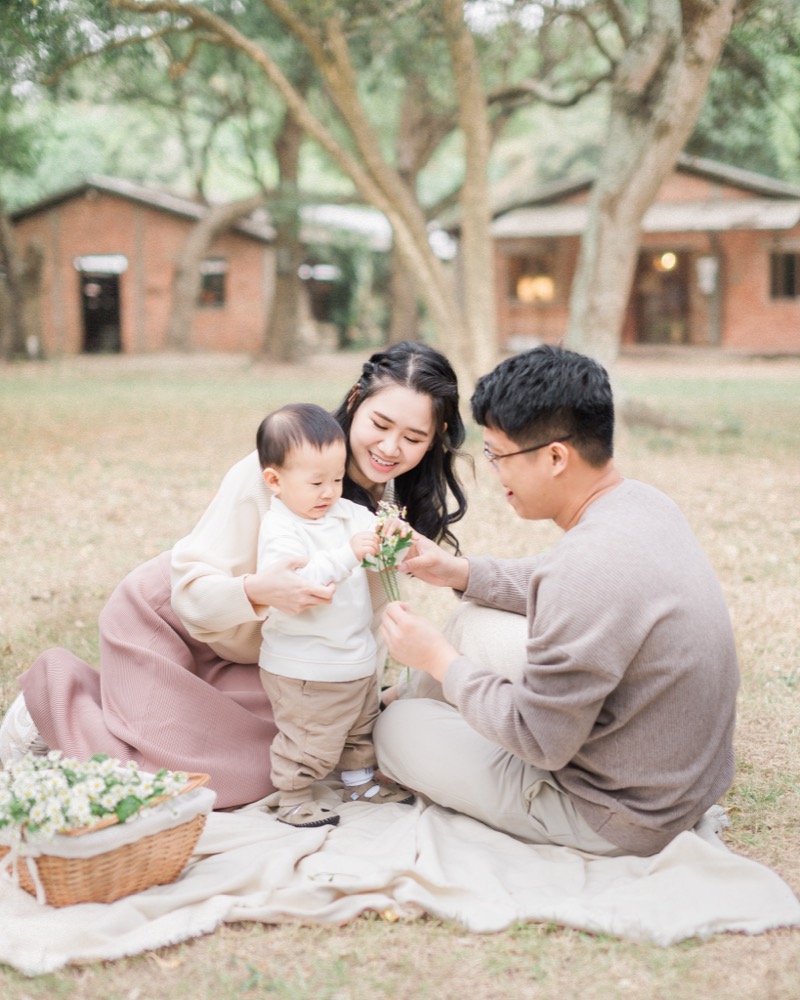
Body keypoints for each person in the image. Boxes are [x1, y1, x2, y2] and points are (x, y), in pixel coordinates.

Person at [0, 342, 467, 810]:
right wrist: (258, 589)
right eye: (380, 425)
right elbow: (193, 594)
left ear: (436, 436)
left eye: (412, 437)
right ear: (354, 402)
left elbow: (365, 613)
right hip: (174, 623)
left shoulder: (390, 503)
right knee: (192, 780)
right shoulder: (276, 471)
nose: (389, 448)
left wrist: (364, 690)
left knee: (300, 744)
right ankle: (59, 705)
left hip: (261, 651)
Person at [375, 344, 739, 857]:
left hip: (616, 811)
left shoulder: (585, 570)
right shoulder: (641, 503)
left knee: (396, 729)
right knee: (475, 616)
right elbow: (552, 582)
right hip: (669, 768)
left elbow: (541, 740)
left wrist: (438, 659)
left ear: (554, 457)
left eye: (498, 456)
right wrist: (457, 571)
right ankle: (419, 702)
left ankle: (404, 710)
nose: (495, 475)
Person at [254, 403, 413, 827]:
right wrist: (348, 552)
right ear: (275, 480)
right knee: (310, 739)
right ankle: (292, 796)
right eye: (317, 482)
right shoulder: (282, 529)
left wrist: (390, 537)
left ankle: (358, 781)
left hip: (352, 657)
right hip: (306, 665)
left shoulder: (345, 512)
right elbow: (302, 583)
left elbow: (374, 534)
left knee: (360, 730)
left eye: (338, 479)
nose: (330, 492)